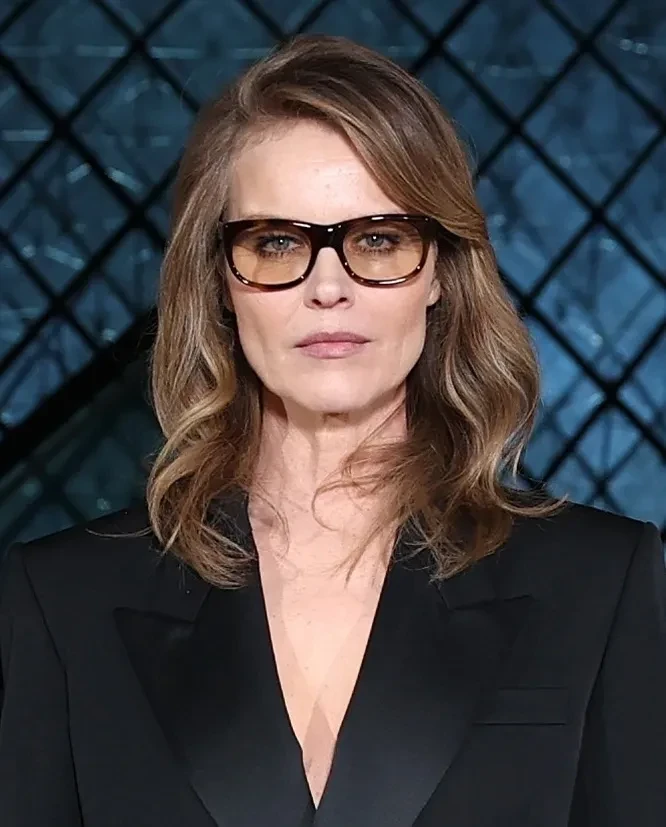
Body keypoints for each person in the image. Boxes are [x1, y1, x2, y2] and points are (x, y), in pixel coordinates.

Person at [1, 33, 665, 827]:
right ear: (219, 282)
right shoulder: (61, 600)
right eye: (276, 243)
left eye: (377, 239)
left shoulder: (599, 581)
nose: (328, 286)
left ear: (440, 272)